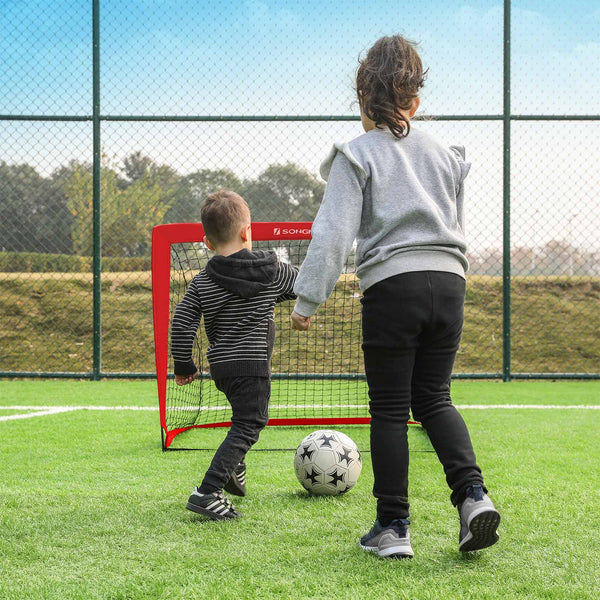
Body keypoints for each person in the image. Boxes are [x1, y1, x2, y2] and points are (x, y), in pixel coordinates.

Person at [290, 35, 500, 557]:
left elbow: (333, 235)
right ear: (416, 101)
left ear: (363, 102)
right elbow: (455, 223)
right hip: (450, 282)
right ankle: (473, 496)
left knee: (388, 409)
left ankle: (393, 527)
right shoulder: (445, 154)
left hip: (393, 286)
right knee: (434, 399)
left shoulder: (355, 155)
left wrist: (306, 300)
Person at [171, 189, 297, 520]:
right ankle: (207, 491)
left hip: (222, 371)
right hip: (253, 366)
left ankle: (234, 470)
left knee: (241, 418)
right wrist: (305, 306)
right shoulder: (272, 271)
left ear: (208, 242)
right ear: (246, 232)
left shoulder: (202, 282)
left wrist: (184, 364)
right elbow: (306, 283)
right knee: (249, 423)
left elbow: (183, 322)